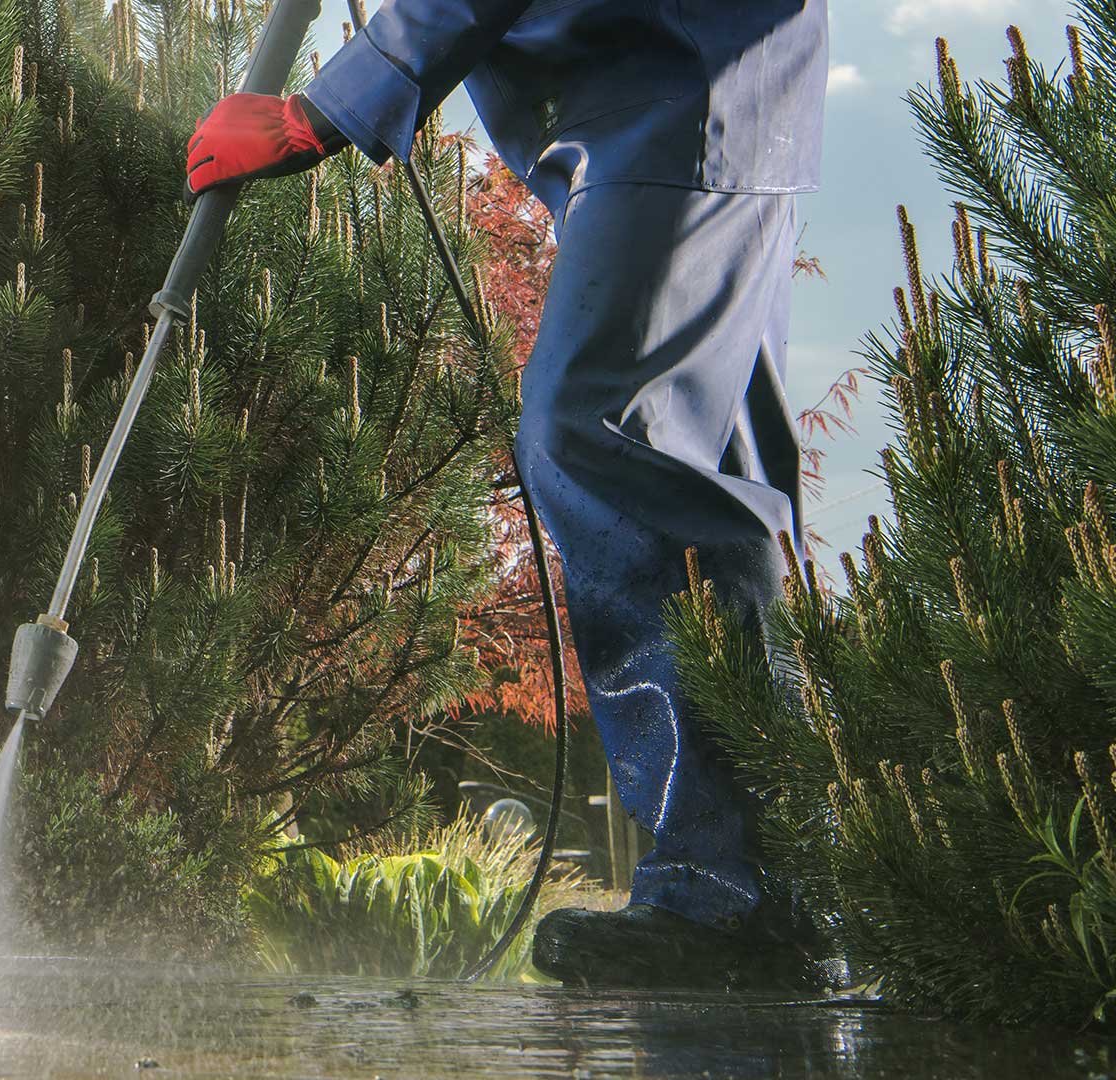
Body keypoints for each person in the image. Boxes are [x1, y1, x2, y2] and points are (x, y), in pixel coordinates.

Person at [186, 0, 829, 990]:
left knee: (599, 428)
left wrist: (325, 107)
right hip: (681, 83)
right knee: (706, 473)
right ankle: (772, 893)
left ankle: (727, 895)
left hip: (679, 78)